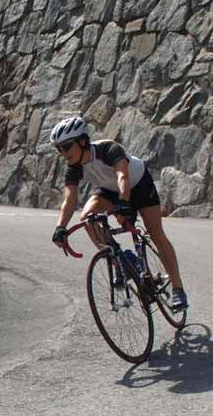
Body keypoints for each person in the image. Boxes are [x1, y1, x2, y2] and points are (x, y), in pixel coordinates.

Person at [47, 115, 188, 312]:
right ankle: (121, 261)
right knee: (87, 219)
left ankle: (177, 288)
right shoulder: (73, 168)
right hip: (108, 190)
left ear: (82, 141)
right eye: (59, 148)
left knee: (156, 233)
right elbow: (69, 200)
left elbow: (123, 176)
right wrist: (60, 228)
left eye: (67, 146)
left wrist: (123, 203)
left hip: (137, 184)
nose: (63, 152)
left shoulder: (108, 149)